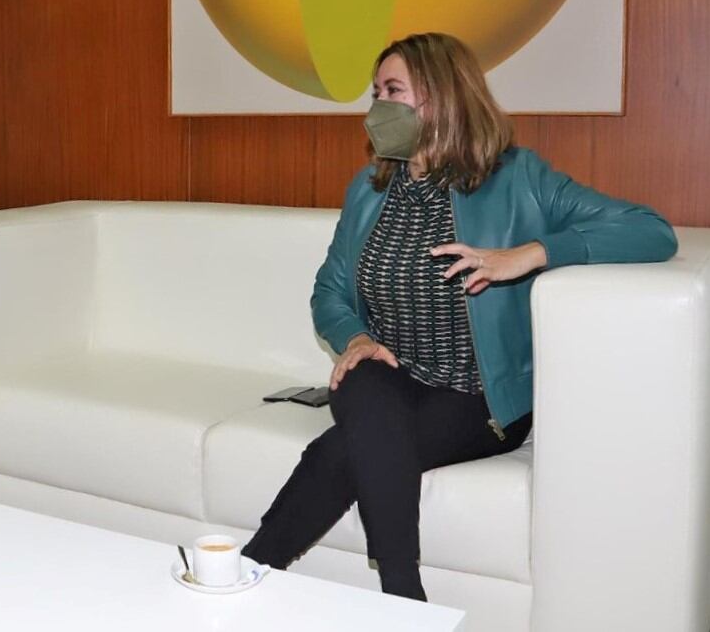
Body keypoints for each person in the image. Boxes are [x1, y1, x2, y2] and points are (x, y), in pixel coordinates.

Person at [242, 32, 676, 600]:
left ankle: (250, 572)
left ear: (443, 96)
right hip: (387, 378)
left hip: (477, 400)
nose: (379, 107)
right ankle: (402, 598)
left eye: (394, 90)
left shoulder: (517, 178)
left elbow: (651, 230)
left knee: (342, 449)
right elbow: (329, 291)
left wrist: (531, 254)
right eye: (376, 93)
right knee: (365, 381)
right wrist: (353, 337)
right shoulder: (370, 189)